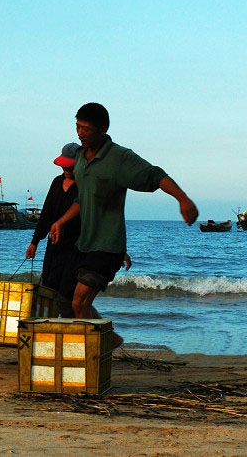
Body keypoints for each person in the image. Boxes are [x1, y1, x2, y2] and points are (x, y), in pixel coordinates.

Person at [49, 103, 198, 347]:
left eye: (86, 128)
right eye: (77, 127)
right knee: (65, 301)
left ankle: (92, 356)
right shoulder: (79, 159)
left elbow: (155, 174)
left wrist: (182, 198)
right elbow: (82, 199)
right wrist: (61, 221)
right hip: (83, 243)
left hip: (107, 245)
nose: (80, 133)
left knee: (79, 303)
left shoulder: (119, 157)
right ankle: (109, 339)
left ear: (103, 128)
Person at [26, 142, 132, 318]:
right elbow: (46, 215)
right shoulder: (57, 182)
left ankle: (89, 333)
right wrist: (34, 242)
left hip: (79, 249)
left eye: (70, 166)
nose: (66, 170)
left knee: (69, 298)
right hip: (54, 248)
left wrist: (119, 249)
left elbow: (104, 220)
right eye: (64, 166)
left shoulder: (88, 185)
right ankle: (53, 335)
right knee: (49, 291)